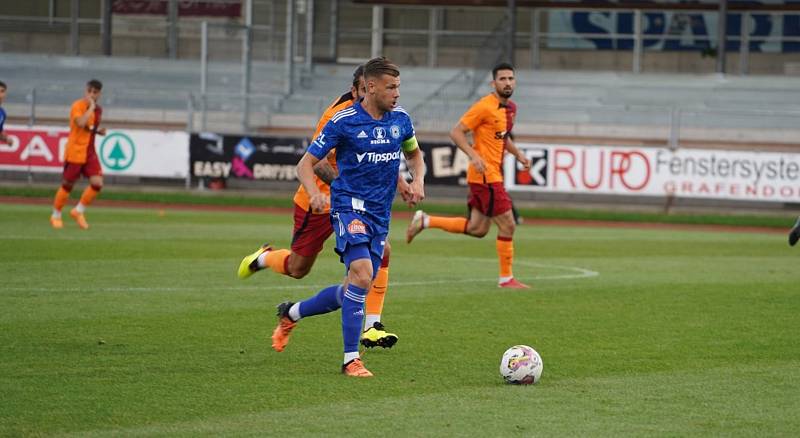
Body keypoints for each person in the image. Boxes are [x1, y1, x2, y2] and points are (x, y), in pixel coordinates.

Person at [270, 57, 425, 377]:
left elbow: (414, 154)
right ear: (369, 87)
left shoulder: (401, 120)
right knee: (363, 272)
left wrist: (415, 180)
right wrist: (314, 191)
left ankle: (292, 313)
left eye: (399, 87)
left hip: (380, 214)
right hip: (348, 207)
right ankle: (350, 359)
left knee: (353, 288)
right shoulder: (343, 121)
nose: (397, 94)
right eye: (391, 87)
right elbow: (304, 165)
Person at [237, 65, 412, 349]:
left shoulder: (379, 114)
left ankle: (372, 326)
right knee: (297, 268)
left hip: (354, 206)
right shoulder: (337, 117)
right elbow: (315, 162)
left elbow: (378, 152)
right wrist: (346, 186)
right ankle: (265, 258)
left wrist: (401, 181)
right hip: (317, 200)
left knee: (371, 265)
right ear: (358, 88)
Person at [406, 62, 532, 289]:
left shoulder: (511, 108)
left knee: (478, 229)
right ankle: (506, 279)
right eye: (502, 79)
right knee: (509, 225)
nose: (507, 83)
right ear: (493, 83)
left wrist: (519, 154)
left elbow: (503, 138)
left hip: (488, 176)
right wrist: (474, 155)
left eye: (510, 79)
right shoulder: (484, 106)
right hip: (486, 177)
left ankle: (425, 220)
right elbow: (456, 132)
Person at [50, 79, 106, 230]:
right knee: (67, 185)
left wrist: (97, 132)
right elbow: (80, 123)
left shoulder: (99, 110)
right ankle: (56, 215)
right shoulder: (78, 106)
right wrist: (90, 108)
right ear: (85, 91)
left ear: (99, 93)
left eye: (95, 92)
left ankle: (78, 211)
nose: (92, 95)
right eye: (90, 91)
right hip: (75, 151)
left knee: (97, 183)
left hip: (89, 152)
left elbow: (88, 127)